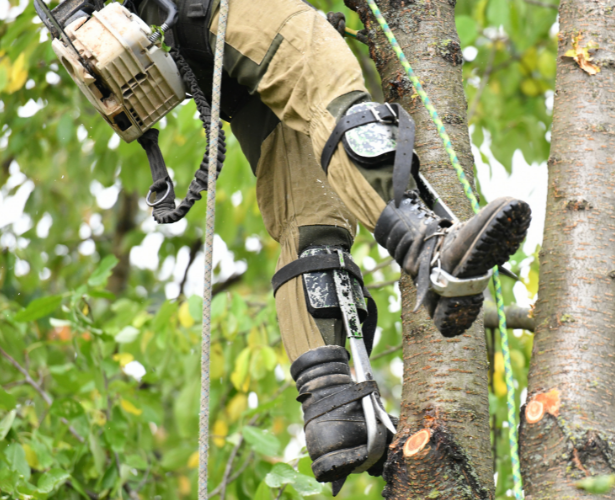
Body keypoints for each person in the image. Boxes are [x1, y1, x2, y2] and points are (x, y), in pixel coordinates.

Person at [131, 0, 532, 491]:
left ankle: (334, 408)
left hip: (200, 36)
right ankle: (429, 249)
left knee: (312, 216)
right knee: (324, 78)